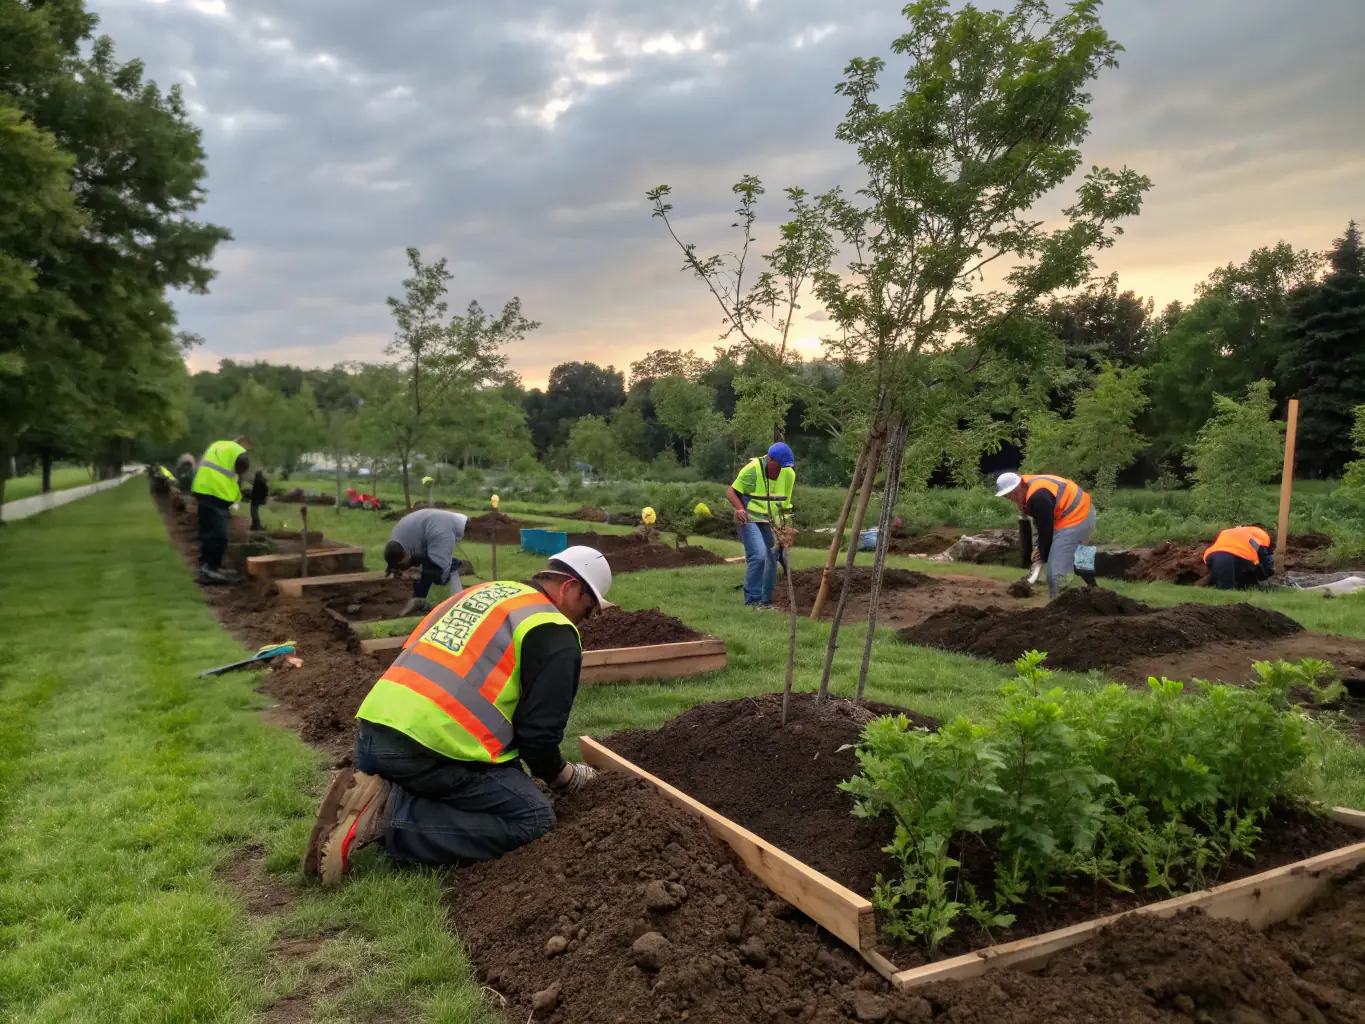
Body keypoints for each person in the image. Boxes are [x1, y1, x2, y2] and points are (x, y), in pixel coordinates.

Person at [302, 546, 613, 885]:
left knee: (505, 776)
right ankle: (386, 817)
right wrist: (565, 777)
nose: (587, 618)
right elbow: (538, 740)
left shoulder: (487, 593)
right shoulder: (554, 629)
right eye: (588, 607)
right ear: (569, 587)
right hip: (426, 748)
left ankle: (376, 790)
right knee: (534, 818)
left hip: (375, 733)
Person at [995, 471, 1097, 599]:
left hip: (1076, 517)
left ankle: (1060, 611)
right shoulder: (1027, 491)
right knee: (1080, 564)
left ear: (1020, 483)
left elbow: (1046, 530)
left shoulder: (1038, 496)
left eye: (1014, 493)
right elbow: (1039, 525)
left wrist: (1042, 553)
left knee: (1055, 574)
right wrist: (1038, 548)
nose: (1014, 498)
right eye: (1009, 496)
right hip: (1079, 513)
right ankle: (1096, 592)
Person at [726, 442, 796, 608]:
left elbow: (785, 504)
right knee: (758, 555)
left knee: (772, 555)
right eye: (779, 466)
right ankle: (753, 601)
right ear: (770, 460)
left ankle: (765, 601)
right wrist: (739, 509)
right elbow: (731, 490)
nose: (781, 470)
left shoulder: (788, 473)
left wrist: (785, 528)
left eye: (785, 467)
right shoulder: (752, 470)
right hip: (748, 518)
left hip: (770, 520)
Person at [384, 507, 470, 617]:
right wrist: (395, 567)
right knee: (427, 567)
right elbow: (395, 558)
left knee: (442, 570)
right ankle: (419, 598)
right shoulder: (396, 542)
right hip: (429, 524)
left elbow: (439, 571)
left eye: (402, 564)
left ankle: (460, 604)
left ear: (406, 554)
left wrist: (425, 576)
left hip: (441, 526)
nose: (403, 567)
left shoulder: (438, 535)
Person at [191, 437, 250, 584]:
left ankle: (208, 567)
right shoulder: (238, 450)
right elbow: (243, 463)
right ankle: (211, 568)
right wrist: (240, 474)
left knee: (208, 531)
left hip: (202, 489)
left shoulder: (217, 445)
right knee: (219, 536)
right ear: (243, 443)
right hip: (215, 493)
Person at [1204, 526, 1274, 590]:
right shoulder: (1261, 534)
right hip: (1239, 558)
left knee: (1225, 587)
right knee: (1238, 584)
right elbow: (1263, 554)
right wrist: (1267, 574)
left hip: (1211, 557)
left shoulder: (1227, 531)